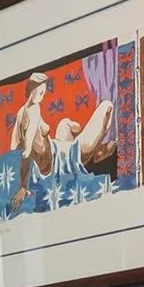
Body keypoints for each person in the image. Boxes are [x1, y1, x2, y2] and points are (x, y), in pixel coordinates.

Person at [9, 69, 117, 214]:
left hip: (57, 149)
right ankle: (95, 153)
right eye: (41, 93)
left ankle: (95, 150)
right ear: (33, 90)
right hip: (67, 159)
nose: (42, 97)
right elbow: (25, 152)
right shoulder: (33, 112)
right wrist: (22, 186)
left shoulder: (21, 112)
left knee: (65, 124)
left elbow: (14, 147)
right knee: (107, 106)